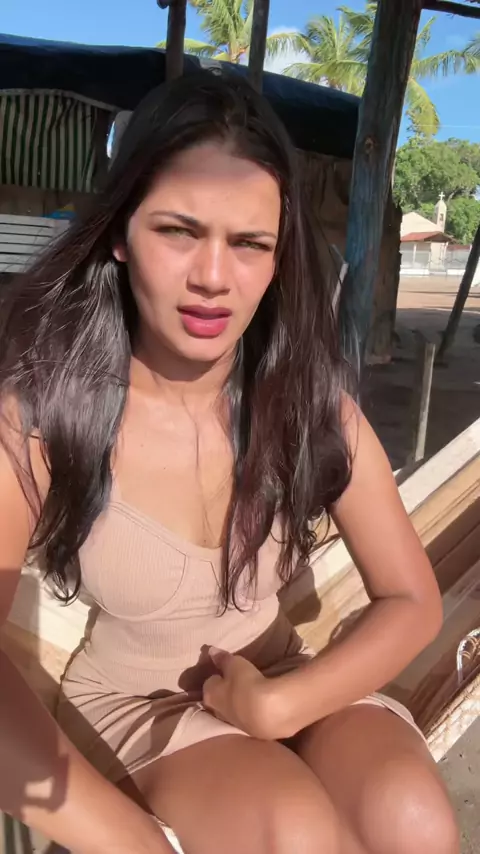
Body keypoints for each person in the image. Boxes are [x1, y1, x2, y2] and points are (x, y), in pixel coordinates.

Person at [0, 72, 459, 854]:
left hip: (281, 675)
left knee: (413, 819)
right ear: (120, 234)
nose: (214, 277)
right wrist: (140, 842)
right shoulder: (46, 415)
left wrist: (280, 707)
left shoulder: (309, 408)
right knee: (294, 833)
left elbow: (412, 599)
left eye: (250, 243)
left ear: (279, 259)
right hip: (137, 704)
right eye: (179, 231)